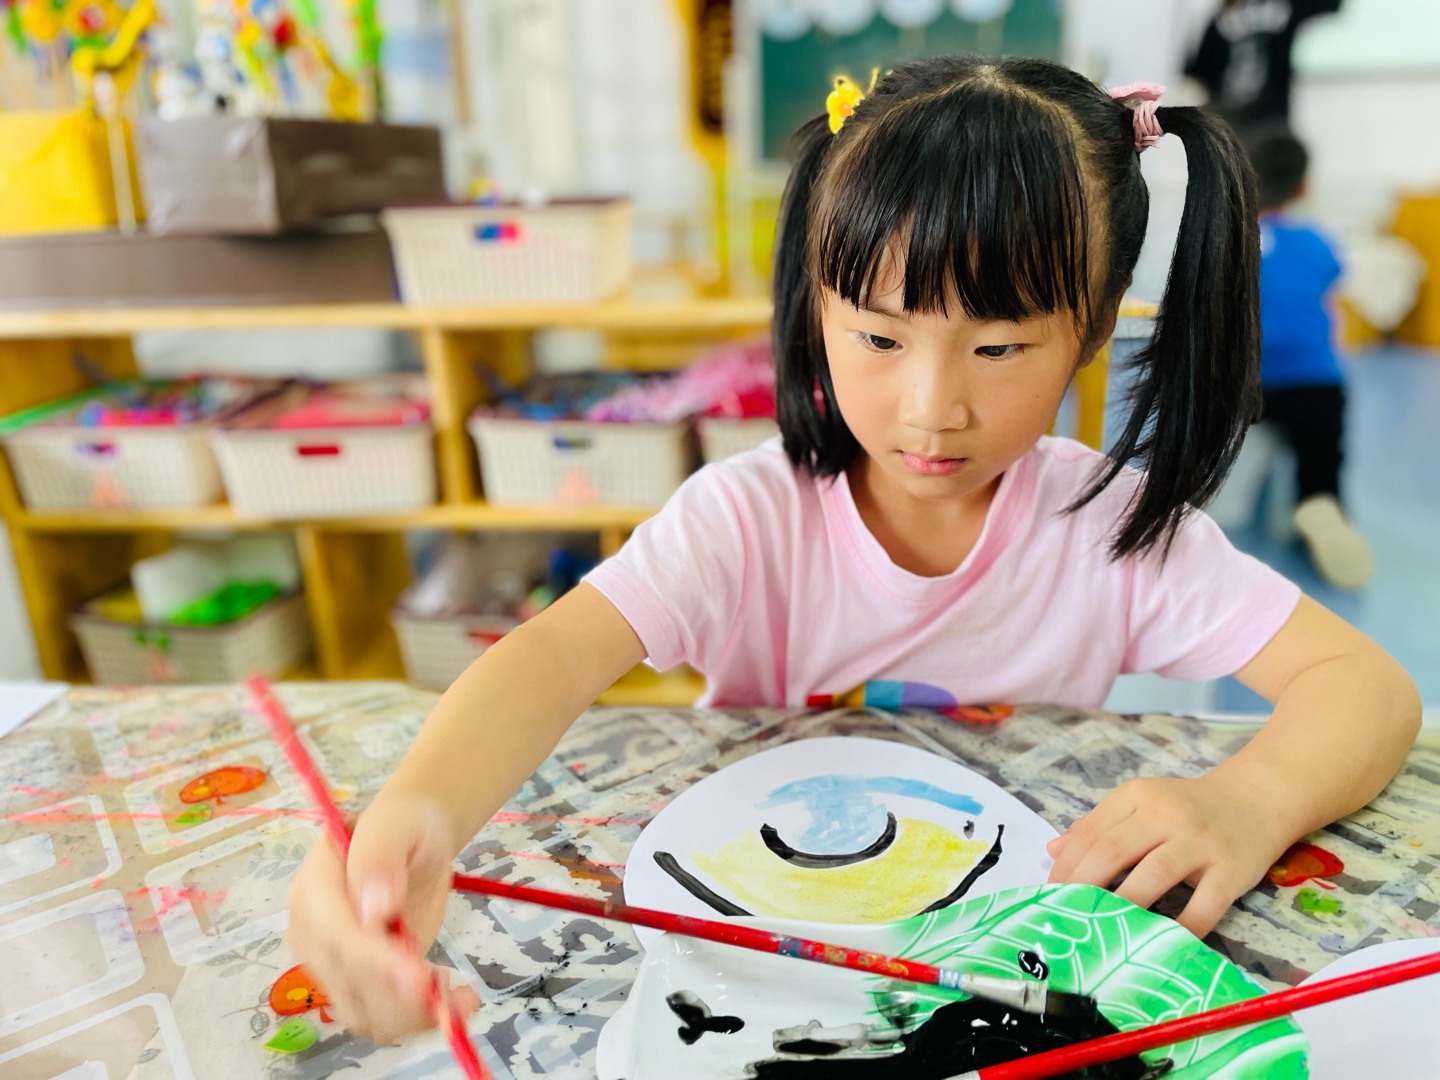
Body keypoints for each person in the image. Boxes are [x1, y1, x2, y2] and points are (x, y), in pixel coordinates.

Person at [285, 56, 1420, 1044]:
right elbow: (552, 657)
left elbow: (1364, 688)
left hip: (991, 971)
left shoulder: (1108, 529)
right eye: (878, 335)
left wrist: (1249, 800)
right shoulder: (746, 518)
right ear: (816, 301)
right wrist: (416, 816)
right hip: (751, 956)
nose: (932, 408)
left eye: (999, 347)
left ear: (1093, 323)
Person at [1250, 130, 1372, 587]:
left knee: (1220, 430)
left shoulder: (1233, 238)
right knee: (1321, 454)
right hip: (1315, 384)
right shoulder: (1318, 242)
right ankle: (1320, 502)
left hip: (1245, 383)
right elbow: (1327, 283)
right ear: (1303, 187)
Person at [1185, 0, 1343, 137]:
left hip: (1235, 117)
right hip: (1266, 117)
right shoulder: (1282, 8)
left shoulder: (1223, 18)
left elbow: (1200, 73)